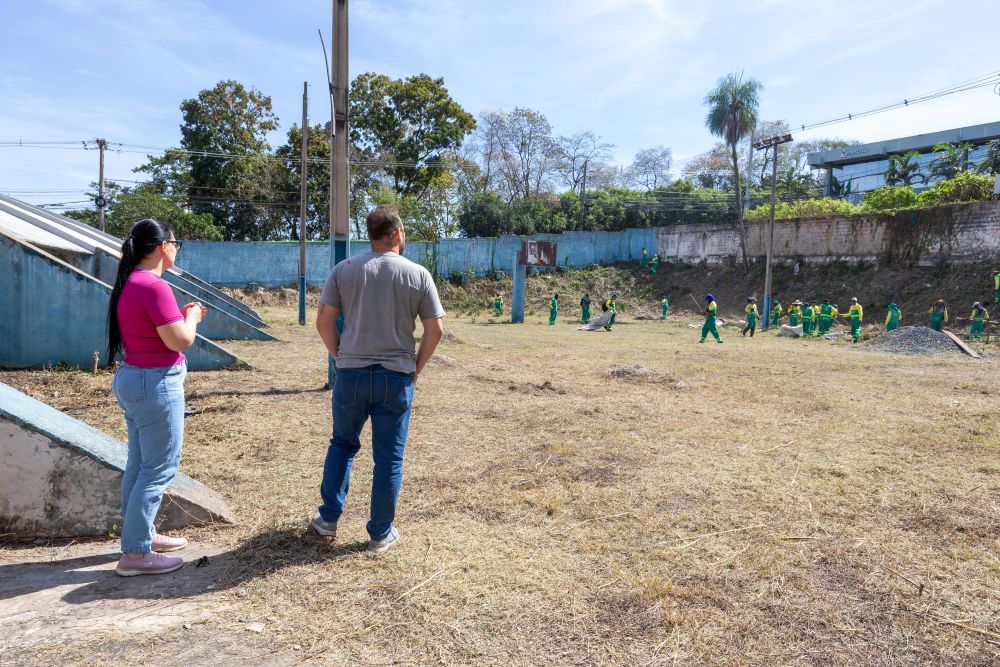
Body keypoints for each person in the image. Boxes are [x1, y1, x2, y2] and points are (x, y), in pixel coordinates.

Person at [313, 205, 445, 553]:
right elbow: (436, 329)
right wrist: (416, 367)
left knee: (342, 445)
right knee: (388, 459)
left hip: (351, 375)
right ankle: (379, 533)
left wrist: (340, 356)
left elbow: (324, 322)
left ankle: (327, 519)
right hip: (395, 378)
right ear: (398, 234)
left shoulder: (344, 270)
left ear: (369, 235)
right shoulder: (418, 275)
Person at [107, 219, 206, 576]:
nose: (177, 249)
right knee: (158, 468)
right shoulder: (154, 286)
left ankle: (140, 537)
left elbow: (159, 334)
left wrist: (179, 320)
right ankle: (134, 554)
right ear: (163, 247)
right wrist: (191, 317)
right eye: (176, 243)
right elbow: (180, 341)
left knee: (139, 465)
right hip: (155, 383)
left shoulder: (129, 282)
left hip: (134, 377)